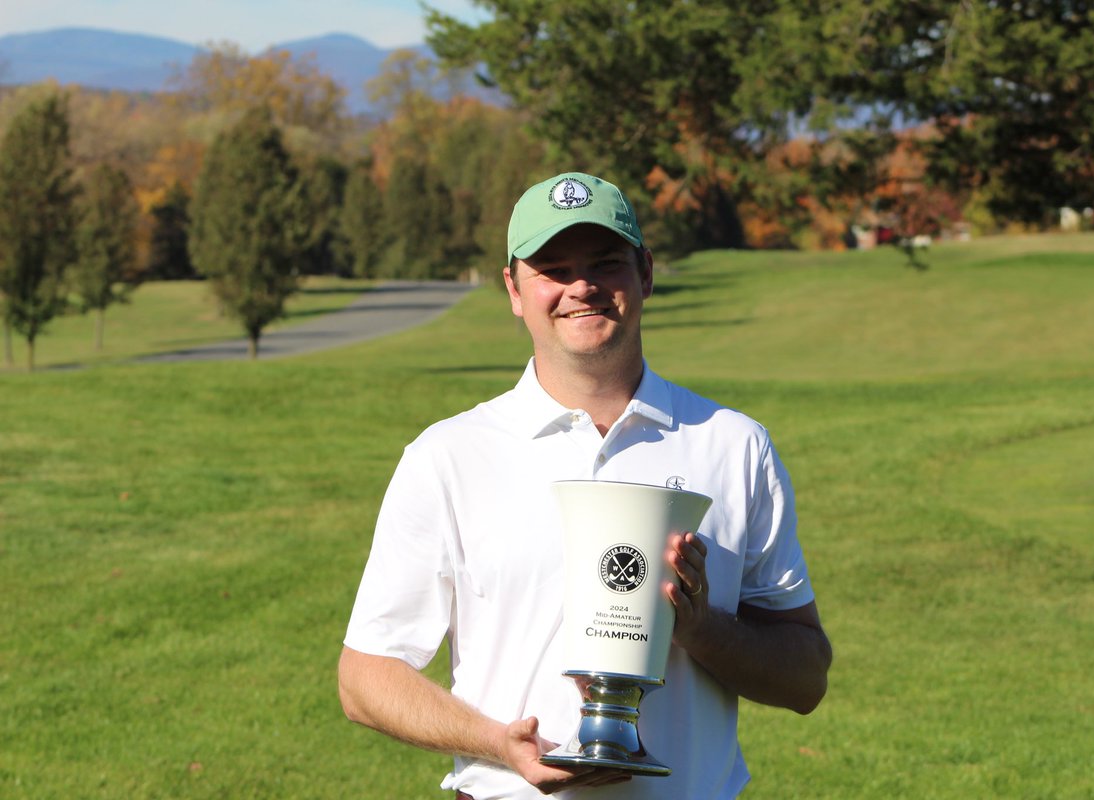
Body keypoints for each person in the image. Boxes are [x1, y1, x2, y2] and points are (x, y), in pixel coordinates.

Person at [338, 172, 832, 799]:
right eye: (553, 269)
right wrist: (497, 743)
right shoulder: (449, 455)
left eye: (605, 262)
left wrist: (702, 627)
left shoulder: (733, 445)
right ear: (513, 289)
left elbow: (805, 679)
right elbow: (364, 678)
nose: (582, 287)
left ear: (645, 273)